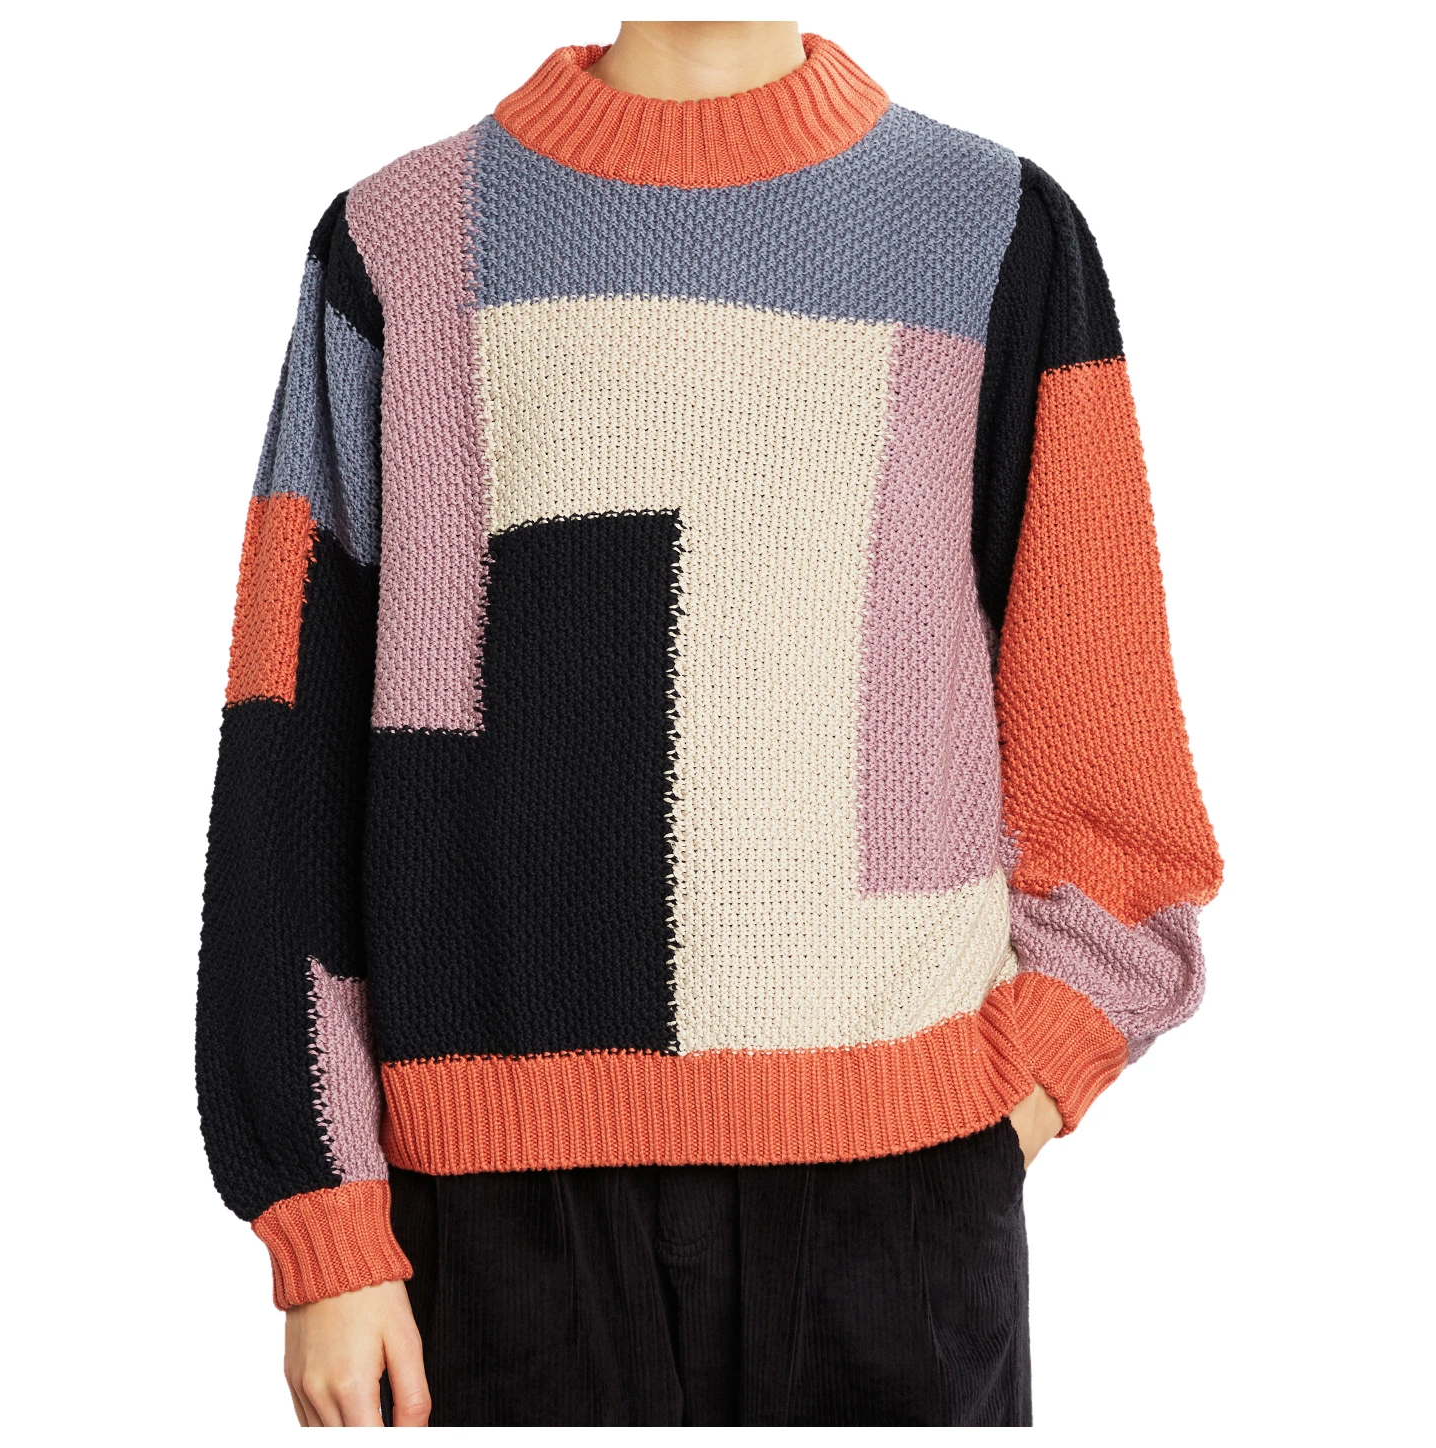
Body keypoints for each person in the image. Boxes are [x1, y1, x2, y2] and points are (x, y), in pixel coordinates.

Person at [197, 19, 1222, 1427]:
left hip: (900, 1197)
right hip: (487, 1223)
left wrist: (1009, 1103)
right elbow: (287, 757)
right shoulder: (399, 245)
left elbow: (1112, 778)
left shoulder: (994, 230)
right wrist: (323, 1225)